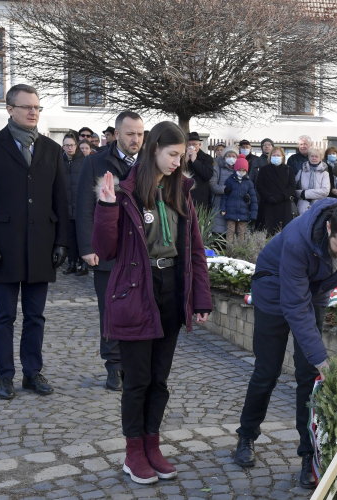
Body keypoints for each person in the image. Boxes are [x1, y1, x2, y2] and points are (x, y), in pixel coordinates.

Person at [92, 121, 212, 485]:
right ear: (154, 148)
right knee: (138, 380)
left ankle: (152, 444)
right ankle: (133, 453)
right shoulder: (125, 191)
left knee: (159, 379)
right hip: (136, 292)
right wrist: (107, 206)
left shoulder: (181, 192)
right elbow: (105, 249)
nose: (178, 162)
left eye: (182, 156)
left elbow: (194, 250)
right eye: (172, 155)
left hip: (171, 290)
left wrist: (200, 299)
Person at [233, 199, 337, 490]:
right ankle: (246, 435)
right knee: (267, 370)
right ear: (328, 229)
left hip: (315, 291)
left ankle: (308, 456)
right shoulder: (300, 239)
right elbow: (295, 307)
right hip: (274, 287)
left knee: (308, 378)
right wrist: (320, 357)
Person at [0, 83, 69, 400]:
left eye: (37, 108)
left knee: (35, 315)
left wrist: (61, 242)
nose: (33, 112)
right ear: (9, 109)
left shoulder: (51, 150)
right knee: (4, 316)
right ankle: (5, 376)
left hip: (41, 243)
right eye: (27, 106)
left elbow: (60, 200)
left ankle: (32, 372)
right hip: (3, 245)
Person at [76, 110, 145, 392]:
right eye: (130, 134)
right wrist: (87, 247)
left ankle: (135, 365)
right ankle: (114, 366)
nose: (136, 139)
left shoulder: (150, 163)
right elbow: (83, 207)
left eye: (140, 134)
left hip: (140, 251)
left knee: (139, 309)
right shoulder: (95, 162)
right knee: (110, 310)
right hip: (107, 250)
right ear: (116, 134)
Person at [62, 134, 87, 276]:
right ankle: (71, 263)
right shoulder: (60, 160)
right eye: (66, 145)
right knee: (70, 237)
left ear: (76, 146)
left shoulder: (84, 161)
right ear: (63, 147)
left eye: (71, 145)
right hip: (66, 205)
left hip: (81, 205)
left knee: (82, 236)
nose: (69, 148)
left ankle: (84, 264)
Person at [255, 147, 295, 235]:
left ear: (283, 157)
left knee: (282, 233)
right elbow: (259, 185)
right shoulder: (264, 169)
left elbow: (292, 187)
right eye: (274, 155)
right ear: (270, 157)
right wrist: (268, 197)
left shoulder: (289, 170)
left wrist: (282, 196)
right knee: (265, 232)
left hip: (283, 204)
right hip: (267, 205)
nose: (276, 157)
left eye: (278, 155)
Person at [220, 154, 258, 244]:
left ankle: (240, 252)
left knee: (241, 234)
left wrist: (253, 214)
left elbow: (253, 199)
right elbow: (224, 196)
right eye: (239, 170)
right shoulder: (229, 181)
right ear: (236, 169)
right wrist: (223, 209)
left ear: (246, 171)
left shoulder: (249, 183)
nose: (241, 172)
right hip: (231, 212)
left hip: (243, 213)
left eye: (243, 170)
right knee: (230, 232)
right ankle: (229, 252)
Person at [209, 147, 238, 235]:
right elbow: (212, 185)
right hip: (218, 204)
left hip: (234, 205)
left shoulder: (240, 170)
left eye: (233, 156)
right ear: (224, 157)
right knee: (218, 232)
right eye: (228, 155)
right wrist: (223, 189)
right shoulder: (217, 169)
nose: (231, 158)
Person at [295, 147, 330, 215]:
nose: (314, 158)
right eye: (312, 156)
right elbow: (295, 188)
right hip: (302, 206)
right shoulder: (301, 171)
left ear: (320, 158)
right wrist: (300, 193)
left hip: (318, 205)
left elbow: (325, 191)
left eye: (316, 156)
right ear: (308, 157)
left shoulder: (324, 173)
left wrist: (305, 194)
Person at [184, 132, 214, 210]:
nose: (191, 147)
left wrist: (194, 161)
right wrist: (185, 161)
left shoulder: (207, 158)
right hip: (184, 196)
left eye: (194, 144)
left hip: (200, 198)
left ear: (199, 145)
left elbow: (207, 175)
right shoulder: (182, 158)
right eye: (189, 144)